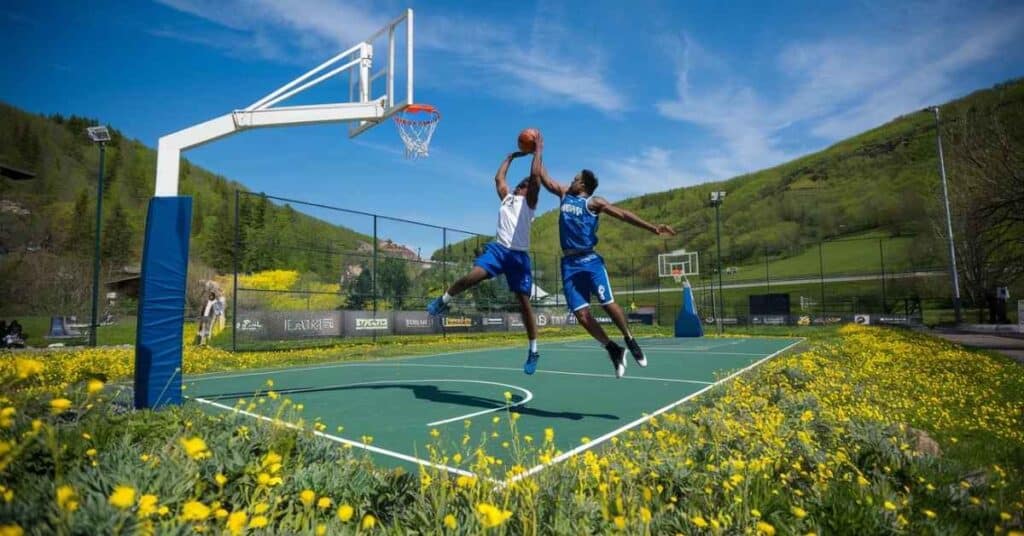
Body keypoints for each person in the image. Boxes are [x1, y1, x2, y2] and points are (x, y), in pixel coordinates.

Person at [531, 132, 675, 378]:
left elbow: (622, 214)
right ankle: (613, 348)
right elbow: (540, 175)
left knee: (607, 304)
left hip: (590, 261)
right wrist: (537, 149)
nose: (572, 180)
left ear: (584, 185)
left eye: (576, 179)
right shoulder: (564, 194)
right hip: (569, 264)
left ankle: (629, 339)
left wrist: (652, 228)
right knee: (581, 315)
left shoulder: (594, 203)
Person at [428, 150, 543, 374]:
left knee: (523, 303)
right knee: (471, 277)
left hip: (518, 256)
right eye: (528, 184)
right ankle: (443, 300)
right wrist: (510, 157)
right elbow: (498, 178)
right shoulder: (508, 198)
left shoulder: (529, 204)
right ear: (521, 187)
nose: (531, 186)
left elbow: (537, 179)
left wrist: (537, 151)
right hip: (499, 250)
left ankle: (533, 350)